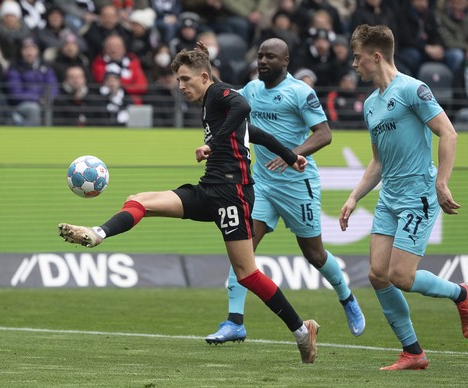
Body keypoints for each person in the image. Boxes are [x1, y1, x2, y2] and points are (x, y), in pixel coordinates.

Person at [58, 47, 320, 364]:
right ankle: (98, 233)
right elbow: (257, 132)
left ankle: (302, 333)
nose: (181, 86)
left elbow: (243, 105)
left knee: (247, 274)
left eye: (185, 79)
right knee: (140, 200)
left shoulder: (222, 93)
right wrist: (292, 157)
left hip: (232, 193)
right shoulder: (211, 103)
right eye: (178, 80)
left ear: (204, 76)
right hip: (209, 189)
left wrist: (211, 143)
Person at [203, 38, 365, 345]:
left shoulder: (300, 92)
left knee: (314, 254)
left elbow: (324, 134)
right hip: (261, 184)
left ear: (286, 61)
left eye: (270, 57)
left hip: (296, 184)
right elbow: (216, 92)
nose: (263, 61)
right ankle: (235, 321)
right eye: (260, 55)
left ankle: (346, 298)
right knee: (242, 247)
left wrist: (292, 153)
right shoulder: (250, 91)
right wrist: (204, 63)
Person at [339, 24, 468, 371]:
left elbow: (448, 133)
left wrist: (442, 182)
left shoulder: (413, 89)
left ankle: (462, 294)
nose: (353, 65)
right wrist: (355, 196)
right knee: (377, 274)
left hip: (418, 193)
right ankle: (413, 352)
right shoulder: (371, 104)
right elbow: (378, 162)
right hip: (389, 197)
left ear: (376, 56)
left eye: (357, 58)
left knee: (401, 276)